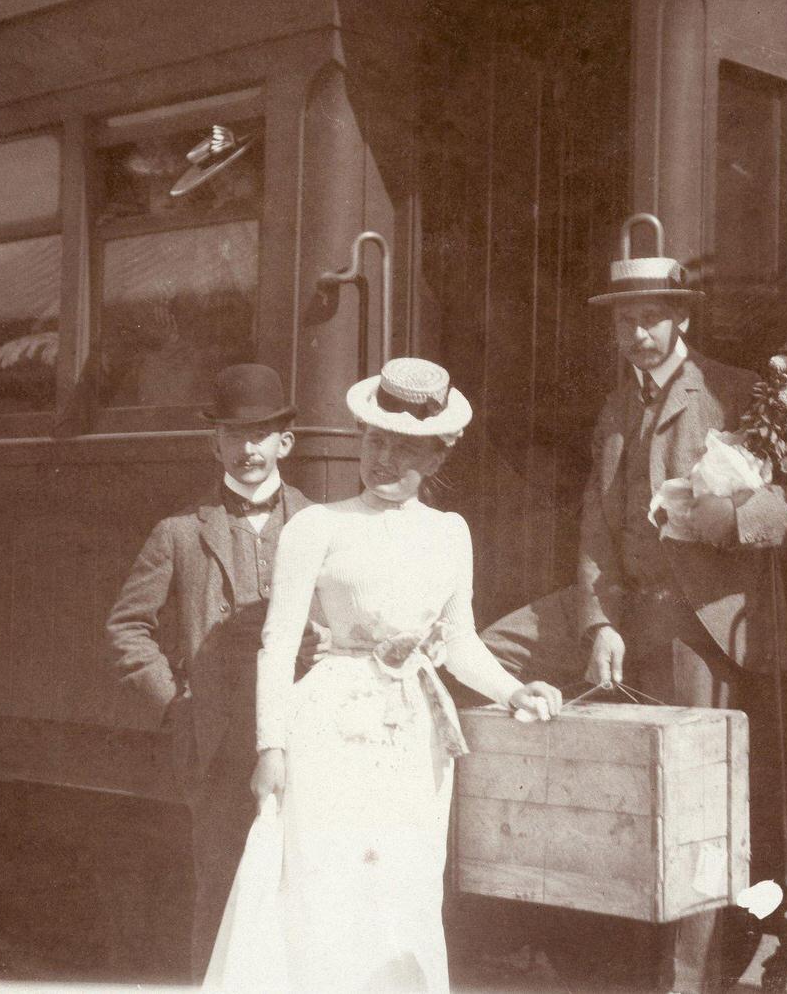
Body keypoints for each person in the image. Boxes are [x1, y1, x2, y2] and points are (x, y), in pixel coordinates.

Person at [240, 357, 562, 993]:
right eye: (375, 440)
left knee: (403, 884)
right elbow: (277, 644)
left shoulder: (450, 534)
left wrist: (512, 688)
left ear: (439, 458)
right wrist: (270, 746)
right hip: (331, 727)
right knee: (326, 877)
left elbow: (461, 641)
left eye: (406, 448)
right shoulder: (315, 527)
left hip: (415, 734)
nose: (384, 459)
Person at [578, 213, 787, 994]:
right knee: (639, 809)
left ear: (681, 317)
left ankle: (688, 982)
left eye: (653, 316)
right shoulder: (615, 409)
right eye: (626, 318)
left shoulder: (734, 393)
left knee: (696, 815)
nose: (639, 332)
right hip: (634, 623)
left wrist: (730, 518)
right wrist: (597, 620)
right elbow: (594, 521)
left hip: (703, 629)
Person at [105, 363, 323, 979]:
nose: (248, 448)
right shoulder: (179, 532)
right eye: (233, 434)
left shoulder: (319, 524)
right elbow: (127, 627)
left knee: (305, 891)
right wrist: (177, 706)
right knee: (223, 892)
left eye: (261, 433)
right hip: (220, 747)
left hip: (306, 736)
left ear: (286, 441)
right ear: (215, 443)